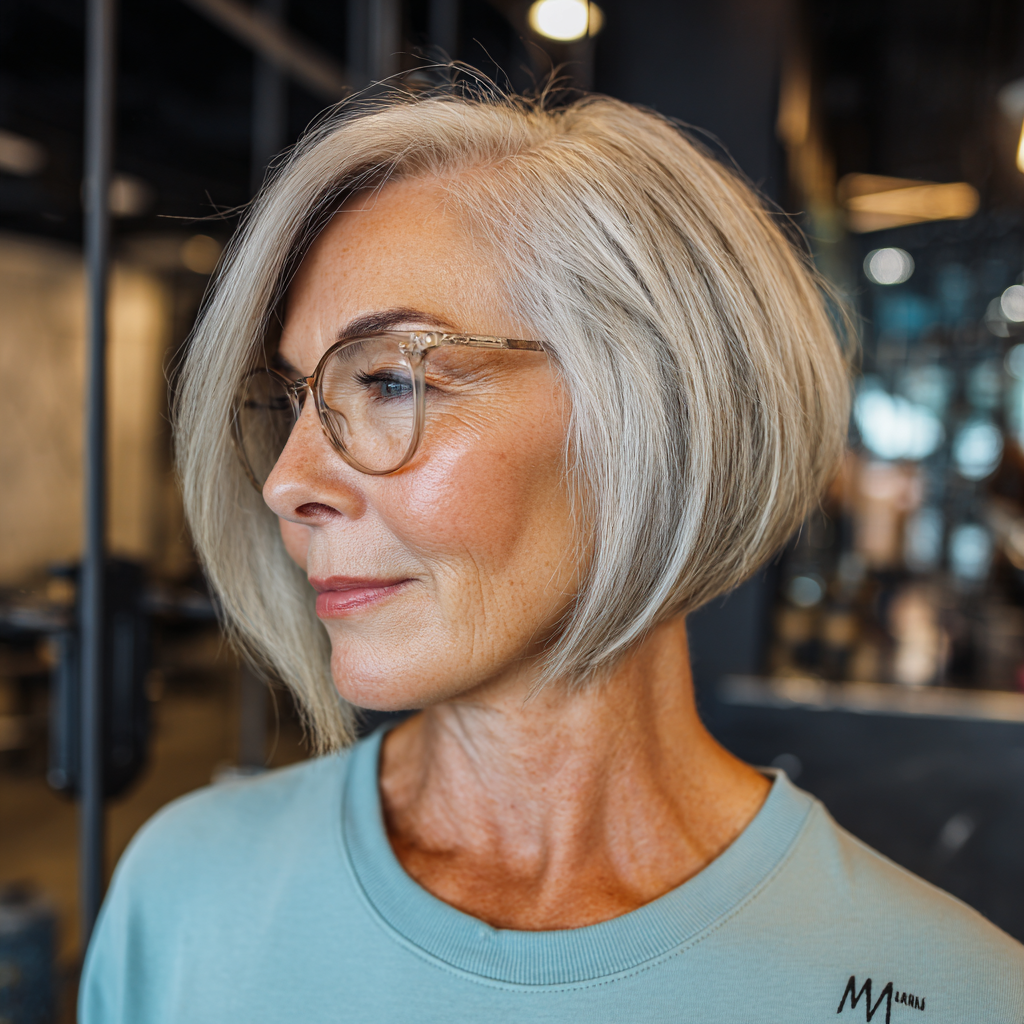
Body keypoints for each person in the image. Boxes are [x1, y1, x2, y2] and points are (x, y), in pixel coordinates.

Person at [81, 85, 1024, 1023]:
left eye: (392, 381)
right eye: (292, 399)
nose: (286, 481)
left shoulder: (949, 995)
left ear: (655, 414)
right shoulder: (185, 896)